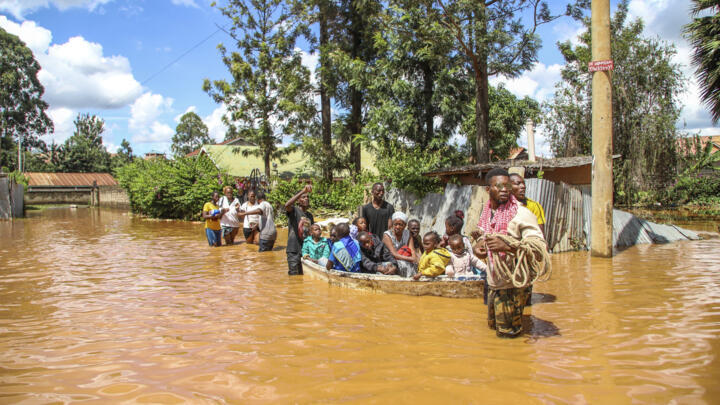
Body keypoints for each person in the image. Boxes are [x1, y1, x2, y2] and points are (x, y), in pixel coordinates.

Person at [472, 168, 548, 339]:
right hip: (494, 283)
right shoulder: (487, 212)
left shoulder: (521, 214)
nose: (504, 190)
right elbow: (485, 234)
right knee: (493, 329)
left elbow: (539, 249)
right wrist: (479, 246)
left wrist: (507, 247)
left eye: (506, 186)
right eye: (498, 186)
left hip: (512, 286)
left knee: (508, 336)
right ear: (488, 190)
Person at [509, 173, 547, 306]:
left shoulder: (534, 206)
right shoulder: (501, 207)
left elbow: (539, 232)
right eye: (517, 183)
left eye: (523, 183)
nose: (522, 186)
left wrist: (540, 250)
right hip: (508, 256)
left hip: (525, 255)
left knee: (525, 294)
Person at [284, 184, 314, 275]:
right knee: (294, 276)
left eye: (307, 197)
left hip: (305, 250)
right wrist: (303, 191)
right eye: (303, 197)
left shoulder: (309, 216)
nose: (306, 199)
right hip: (293, 250)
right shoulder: (294, 211)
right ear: (298, 201)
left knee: (302, 276)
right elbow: (287, 205)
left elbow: (311, 234)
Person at [382, 211, 417, 278]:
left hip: (405, 258)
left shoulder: (408, 234)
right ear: (393, 224)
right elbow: (395, 254)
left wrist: (414, 259)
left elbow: (412, 250)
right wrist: (411, 259)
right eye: (395, 224)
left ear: (405, 225)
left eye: (400, 224)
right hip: (391, 259)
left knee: (416, 264)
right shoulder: (387, 235)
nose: (397, 227)